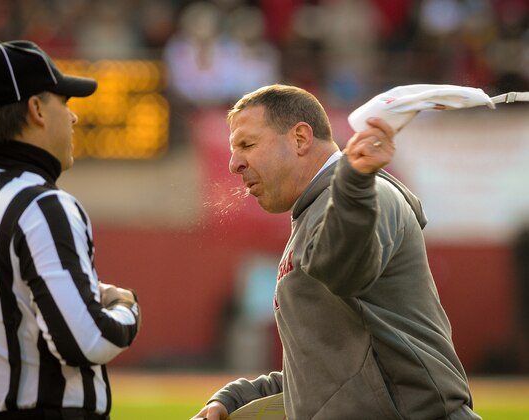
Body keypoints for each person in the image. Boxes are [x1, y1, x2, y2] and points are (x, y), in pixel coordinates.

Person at [191, 84, 480, 419]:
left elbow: (344, 272)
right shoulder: (319, 210)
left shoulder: (367, 195)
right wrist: (236, 399)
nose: (233, 164)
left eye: (247, 144)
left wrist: (354, 183)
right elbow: (331, 376)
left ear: (300, 138)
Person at [0, 40, 141, 420]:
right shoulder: (41, 206)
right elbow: (88, 339)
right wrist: (126, 306)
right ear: (36, 108)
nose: (73, 118)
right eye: (64, 103)